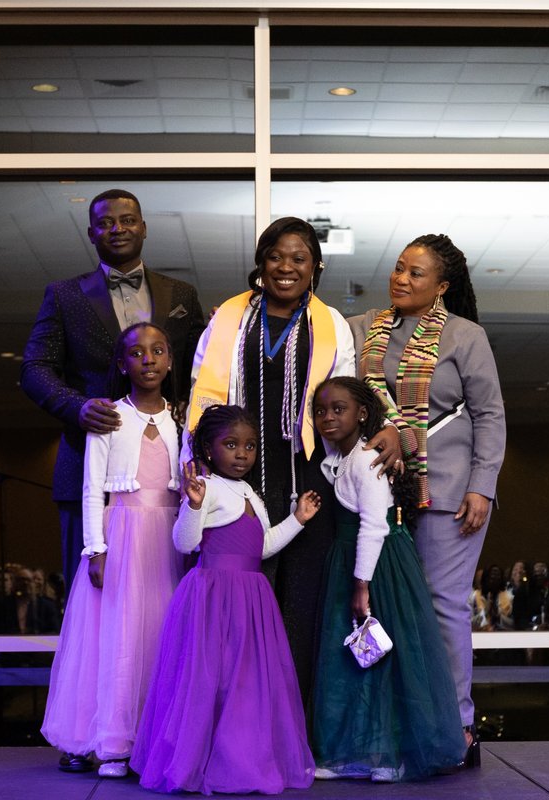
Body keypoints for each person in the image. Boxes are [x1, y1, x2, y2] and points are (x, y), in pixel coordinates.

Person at [183, 216, 401, 710]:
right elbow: (203, 389)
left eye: (298, 258)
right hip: (239, 473)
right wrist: (197, 463)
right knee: (239, 602)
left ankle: (293, 726)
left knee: (302, 605)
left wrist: (381, 426)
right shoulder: (229, 320)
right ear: (260, 263)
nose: (286, 267)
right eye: (276, 256)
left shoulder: (330, 326)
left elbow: (344, 397)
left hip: (306, 478)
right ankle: (235, 717)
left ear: (315, 266)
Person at [350, 233, 505, 765]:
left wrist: (482, 485)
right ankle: (398, 723)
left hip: (450, 496)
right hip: (377, 493)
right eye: (398, 268)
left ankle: (457, 725)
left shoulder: (465, 336)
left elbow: (489, 414)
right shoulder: (361, 330)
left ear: (442, 286)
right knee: (386, 608)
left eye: (416, 273)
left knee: (443, 609)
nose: (401, 278)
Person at [21, 188, 205, 592]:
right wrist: (78, 407)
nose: (117, 229)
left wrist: (186, 412)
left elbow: (200, 371)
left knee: (169, 594)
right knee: (90, 593)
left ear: (143, 228)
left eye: (126, 220)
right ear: (90, 234)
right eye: (105, 223)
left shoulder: (182, 295)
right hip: (86, 461)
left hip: (168, 474)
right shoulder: (64, 295)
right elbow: (34, 369)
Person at [131, 405, 320, 794]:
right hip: (215, 596)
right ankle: (201, 762)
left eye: (249, 446)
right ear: (209, 448)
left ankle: (239, 760)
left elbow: (263, 547)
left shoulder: (249, 490)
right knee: (210, 681)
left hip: (251, 597)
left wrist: (297, 519)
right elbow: (185, 543)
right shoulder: (208, 487)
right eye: (231, 444)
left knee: (244, 682)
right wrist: (194, 504)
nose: (241, 454)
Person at [41, 323, 184, 779]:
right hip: (121, 536)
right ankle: (108, 740)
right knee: (117, 639)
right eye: (137, 353)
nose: (148, 359)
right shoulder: (108, 417)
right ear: (122, 364)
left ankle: (148, 738)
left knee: (158, 638)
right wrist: (95, 549)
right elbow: (91, 490)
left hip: (167, 541)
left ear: (170, 361)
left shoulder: (181, 421)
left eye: (157, 351)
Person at [310, 377, 466, 782]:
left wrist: (361, 585)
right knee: (360, 658)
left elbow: (374, 525)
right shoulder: (344, 458)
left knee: (381, 656)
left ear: (362, 413)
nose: (328, 417)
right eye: (321, 410)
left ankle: (387, 757)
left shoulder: (366, 459)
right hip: (358, 560)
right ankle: (363, 754)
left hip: (376, 565)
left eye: (338, 409)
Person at [469, 564, 512, 632]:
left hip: (502, 636)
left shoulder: (509, 596)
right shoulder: (473, 596)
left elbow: (514, 623)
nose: (495, 580)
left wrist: (497, 616)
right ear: (486, 578)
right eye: (492, 576)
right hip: (479, 636)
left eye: (498, 576)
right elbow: (468, 622)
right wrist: (485, 612)